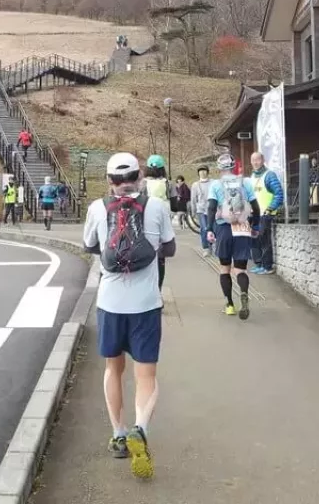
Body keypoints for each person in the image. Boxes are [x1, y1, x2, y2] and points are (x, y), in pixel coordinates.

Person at [82, 152, 175, 479]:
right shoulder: (157, 207)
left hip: (110, 303)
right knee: (146, 374)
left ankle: (119, 434)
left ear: (109, 181)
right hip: (146, 303)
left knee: (113, 368)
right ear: (139, 177)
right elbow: (170, 248)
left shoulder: (96, 207)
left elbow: (90, 245)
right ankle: (141, 428)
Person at [207, 153, 261, 319]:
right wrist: (256, 226)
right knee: (240, 269)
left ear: (219, 168)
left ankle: (230, 304)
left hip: (224, 228)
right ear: (233, 166)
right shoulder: (244, 182)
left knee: (225, 269)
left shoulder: (215, 185)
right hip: (242, 227)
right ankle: (244, 294)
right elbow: (255, 207)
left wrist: (209, 229)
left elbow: (211, 208)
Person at [249, 151, 284, 275]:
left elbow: (279, 194)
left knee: (264, 239)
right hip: (254, 214)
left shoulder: (269, 175)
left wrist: (270, 208)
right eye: (253, 160)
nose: (255, 163)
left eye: (257, 160)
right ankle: (259, 264)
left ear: (263, 160)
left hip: (266, 213)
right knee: (254, 239)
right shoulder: (252, 176)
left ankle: (268, 266)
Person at [143, 155, 170, 290]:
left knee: (146, 258)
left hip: (146, 223)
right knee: (161, 258)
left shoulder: (143, 183)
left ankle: (148, 289)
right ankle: (158, 291)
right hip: (163, 222)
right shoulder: (166, 183)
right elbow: (173, 201)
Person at [190, 165, 212, 253]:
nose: (202, 172)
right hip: (201, 210)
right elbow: (193, 199)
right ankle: (206, 247)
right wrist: (193, 211)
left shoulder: (213, 182)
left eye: (204, 170)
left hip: (211, 209)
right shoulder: (195, 185)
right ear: (198, 173)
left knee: (212, 228)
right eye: (200, 171)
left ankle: (212, 245)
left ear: (207, 172)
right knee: (204, 228)